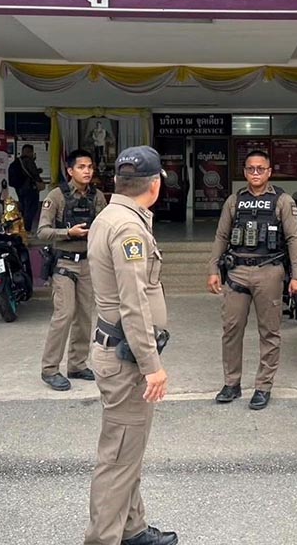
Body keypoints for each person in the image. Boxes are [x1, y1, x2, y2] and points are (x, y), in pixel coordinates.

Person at [84, 146, 175, 545]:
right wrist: (152, 365)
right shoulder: (128, 228)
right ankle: (103, 538)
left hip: (120, 350)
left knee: (127, 451)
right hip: (127, 358)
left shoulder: (111, 216)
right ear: (154, 185)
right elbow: (133, 303)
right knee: (118, 458)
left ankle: (132, 528)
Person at [207, 150, 297, 411]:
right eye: (251, 168)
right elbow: (221, 236)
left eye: (261, 168)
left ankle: (263, 386)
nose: (255, 173)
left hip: (269, 271)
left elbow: (294, 238)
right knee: (231, 329)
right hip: (237, 270)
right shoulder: (234, 200)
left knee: (269, 332)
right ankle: (231, 383)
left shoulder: (282, 201)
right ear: (245, 172)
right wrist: (213, 269)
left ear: (269, 172)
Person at [37, 149, 107, 391]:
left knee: (85, 316)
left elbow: (105, 226)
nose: (87, 171)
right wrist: (68, 232)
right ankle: (49, 369)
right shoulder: (56, 196)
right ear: (70, 171)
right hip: (64, 263)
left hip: (88, 263)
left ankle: (77, 365)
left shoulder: (97, 196)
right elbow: (42, 232)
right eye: (81, 167)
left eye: (90, 167)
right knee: (64, 314)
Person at [8, 144, 44, 232]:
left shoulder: (17, 162)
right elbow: (34, 173)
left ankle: (22, 228)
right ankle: (27, 229)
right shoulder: (28, 161)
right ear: (30, 152)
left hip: (19, 189)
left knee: (24, 209)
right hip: (30, 189)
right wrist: (40, 181)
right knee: (31, 209)